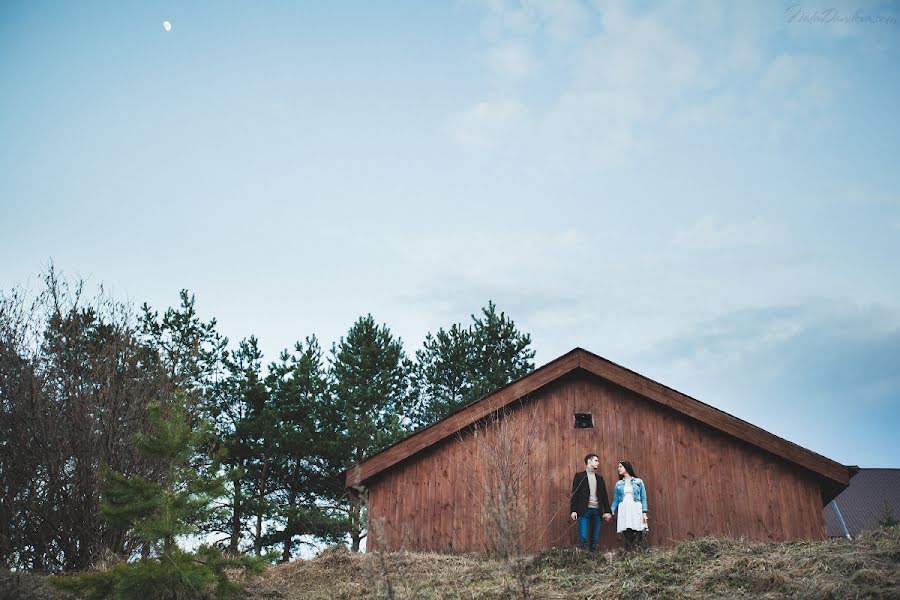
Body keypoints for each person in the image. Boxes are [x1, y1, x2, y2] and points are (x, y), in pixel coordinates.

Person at [569, 453, 612, 553]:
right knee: (583, 537)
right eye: (596, 460)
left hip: (597, 511)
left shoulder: (600, 479)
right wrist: (573, 510)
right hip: (584, 511)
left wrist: (608, 511)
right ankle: (582, 560)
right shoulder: (579, 476)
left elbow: (604, 497)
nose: (598, 463)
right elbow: (574, 494)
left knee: (595, 538)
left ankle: (593, 561)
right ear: (589, 461)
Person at [610, 460, 649, 551]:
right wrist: (611, 509)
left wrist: (644, 512)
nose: (618, 468)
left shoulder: (638, 482)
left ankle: (638, 551)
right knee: (627, 530)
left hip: (636, 508)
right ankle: (629, 552)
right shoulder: (619, 484)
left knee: (638, 529)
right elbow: (616, 499)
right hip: (624, 509)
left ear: (626, 468)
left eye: (620, 466)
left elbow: (643, 498)